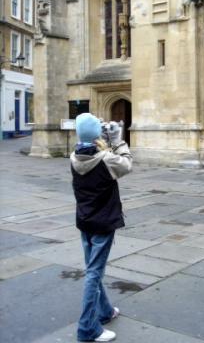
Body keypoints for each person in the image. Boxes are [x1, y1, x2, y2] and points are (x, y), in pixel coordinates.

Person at [70, 113, 133, 342]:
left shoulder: (73, 157)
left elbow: (91, 149)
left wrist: (100, 138)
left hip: (84, 220)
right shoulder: (106, 159)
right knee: (94, 273)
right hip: (103, 222)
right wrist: (117, 140)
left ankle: (105, 311)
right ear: (97, 133)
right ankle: (87, 329)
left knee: (92, 269)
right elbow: (127, 164)